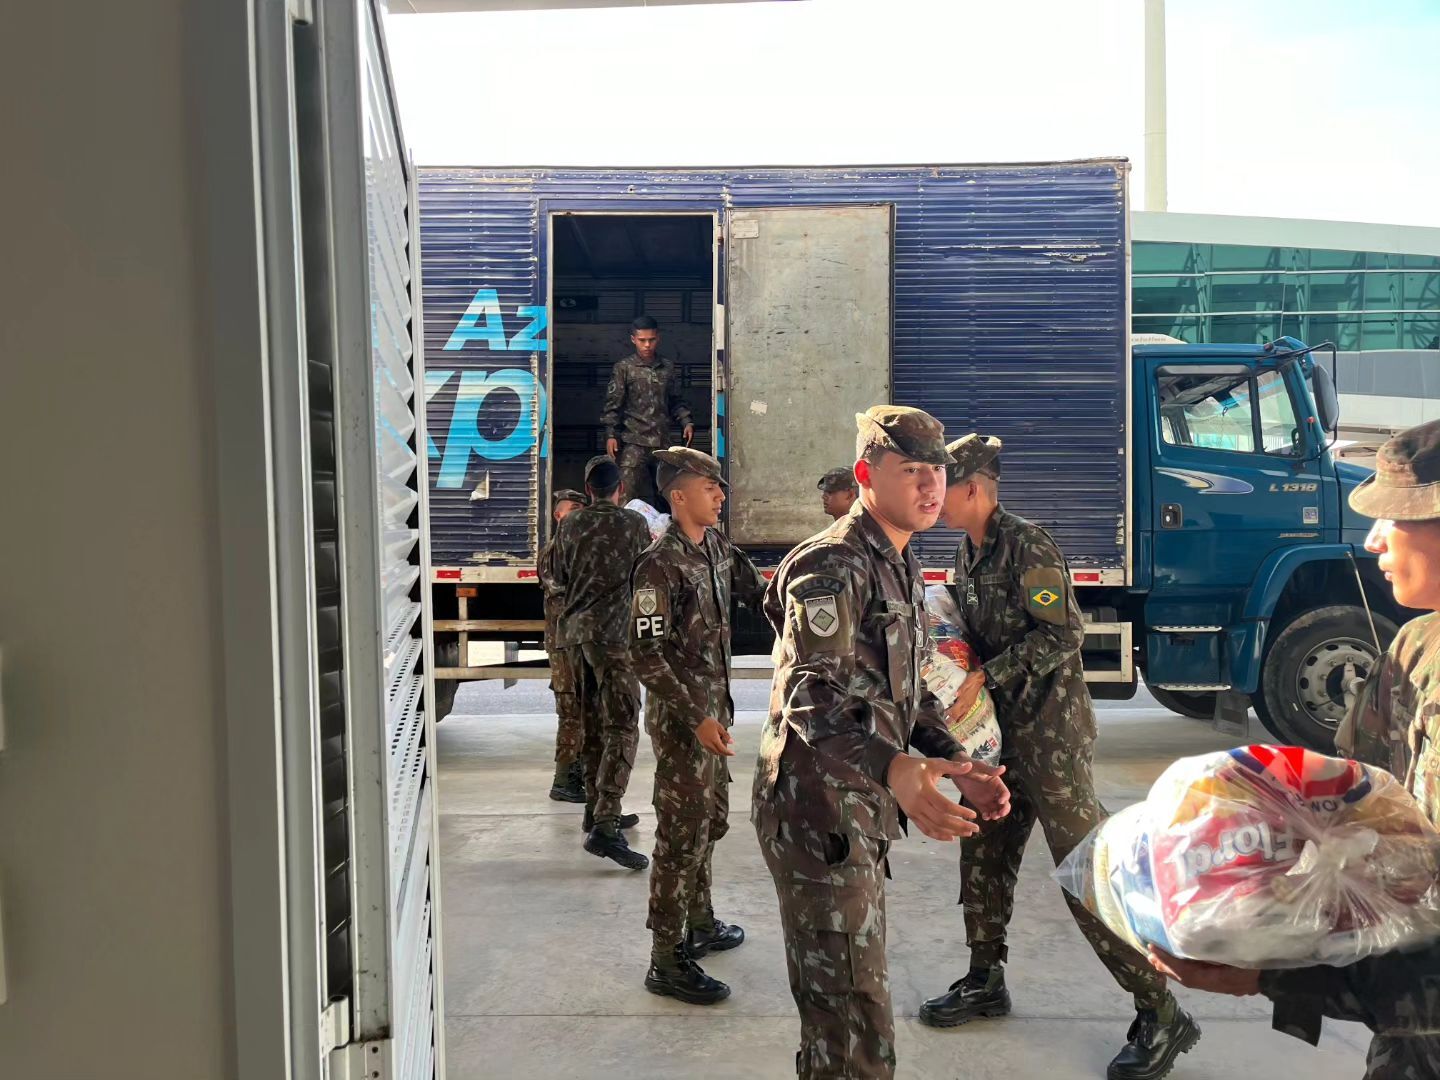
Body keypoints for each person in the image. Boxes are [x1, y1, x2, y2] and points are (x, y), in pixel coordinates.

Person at [1147, 418, 1440, 1080]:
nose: (1373, 540)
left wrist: (1278, 979)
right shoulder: (1415, 648)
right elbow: (1365, 816)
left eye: (1395, 518)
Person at [918, 433, 1200, 1079]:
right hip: (995, 737)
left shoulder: (1028, 545)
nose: (933, 497)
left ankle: (1159, 1009)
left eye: (943, 486)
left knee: (1086, 870)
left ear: (973, 488)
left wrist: (986, 674)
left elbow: (1064, 631)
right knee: (984, 853)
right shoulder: (966, 551)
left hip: (1050, 736)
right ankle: (985, 978)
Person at [752, 406, 1011, 1079]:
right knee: (851, 1016)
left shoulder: (898, 558)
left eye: (938, 471)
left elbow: (906, 689)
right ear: (866, 475)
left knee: (854, 999)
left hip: (858, 803)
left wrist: (956, 762)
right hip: (818, 811)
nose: (931, 485)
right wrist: (895, 768)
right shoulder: (834, 563)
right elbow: (811, 695)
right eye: (912, 470)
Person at [628, 447, 767, 1005]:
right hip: (685, 721)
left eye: (721, 487)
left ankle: (701, 922)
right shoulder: (658, 565)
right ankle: (665, 959)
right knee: (680, 837)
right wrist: (696, 717)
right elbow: (646, 655)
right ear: (679, 496)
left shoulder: (716, 548)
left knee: (710, 824)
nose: (721, 495)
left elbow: (763, 595)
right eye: (711, 487)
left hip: (715, 715)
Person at [552, 455, 654, 869]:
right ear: (620, 491)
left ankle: (596, 810)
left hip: (576, 636)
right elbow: (647, 573)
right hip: (615, 638)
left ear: (588, 491)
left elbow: (558, 573)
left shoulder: (570, 524)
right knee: (622, 726)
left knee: (592, 724)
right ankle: (606, 825)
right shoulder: (633, 524)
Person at [601, 315, 695, 507]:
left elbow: (676, 400)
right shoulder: (624, 368)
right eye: (642, 340)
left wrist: (686, 421)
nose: (647, 345)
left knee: (668, 497)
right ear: (633, 339)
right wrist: (611, 435)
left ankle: (666, 528)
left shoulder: (667, 367)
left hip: (662, 442)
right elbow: (613, 405)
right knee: (625, 497)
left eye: (651, 340)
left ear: (658, 338)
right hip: (634, 441)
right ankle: (625, 528)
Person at [539, 487, 588, 803]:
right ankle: (564, 780)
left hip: (578, 641)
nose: (579, 516)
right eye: (573, 510)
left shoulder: (579, 548)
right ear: (559, 516)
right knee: (571, 711)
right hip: (564, 645)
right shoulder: (556, 551)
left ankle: (578, 777)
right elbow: (566, 591)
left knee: (584, 710)